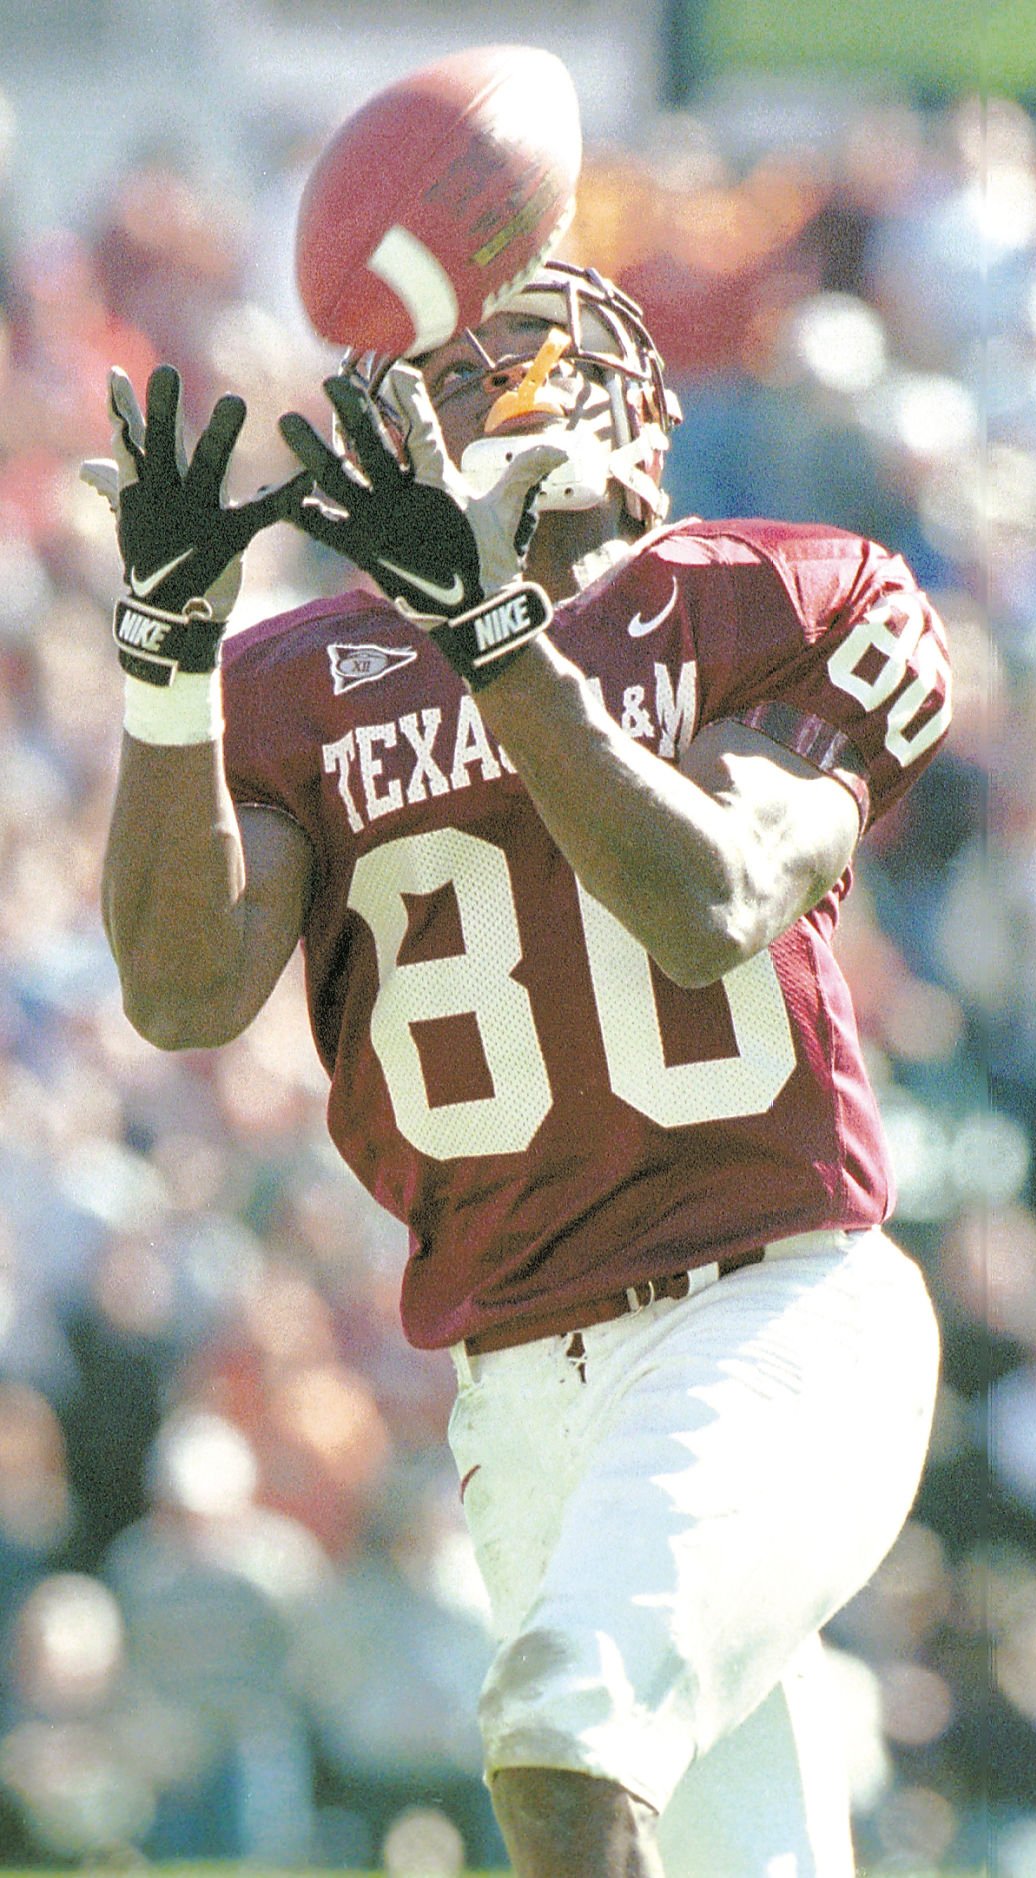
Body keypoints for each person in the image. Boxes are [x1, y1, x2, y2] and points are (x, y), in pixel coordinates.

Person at [84, 257, 952, 1877]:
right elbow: (184, 993)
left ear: (635, 394)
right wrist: (165, 664)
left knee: (564, 1737)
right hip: (515, 1388)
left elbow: (715, 904)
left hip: (774, 1313)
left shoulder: (775, 593)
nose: (491, 384)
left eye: (527, 350)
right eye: (453, 363)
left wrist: (496, 642)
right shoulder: (299, 686)